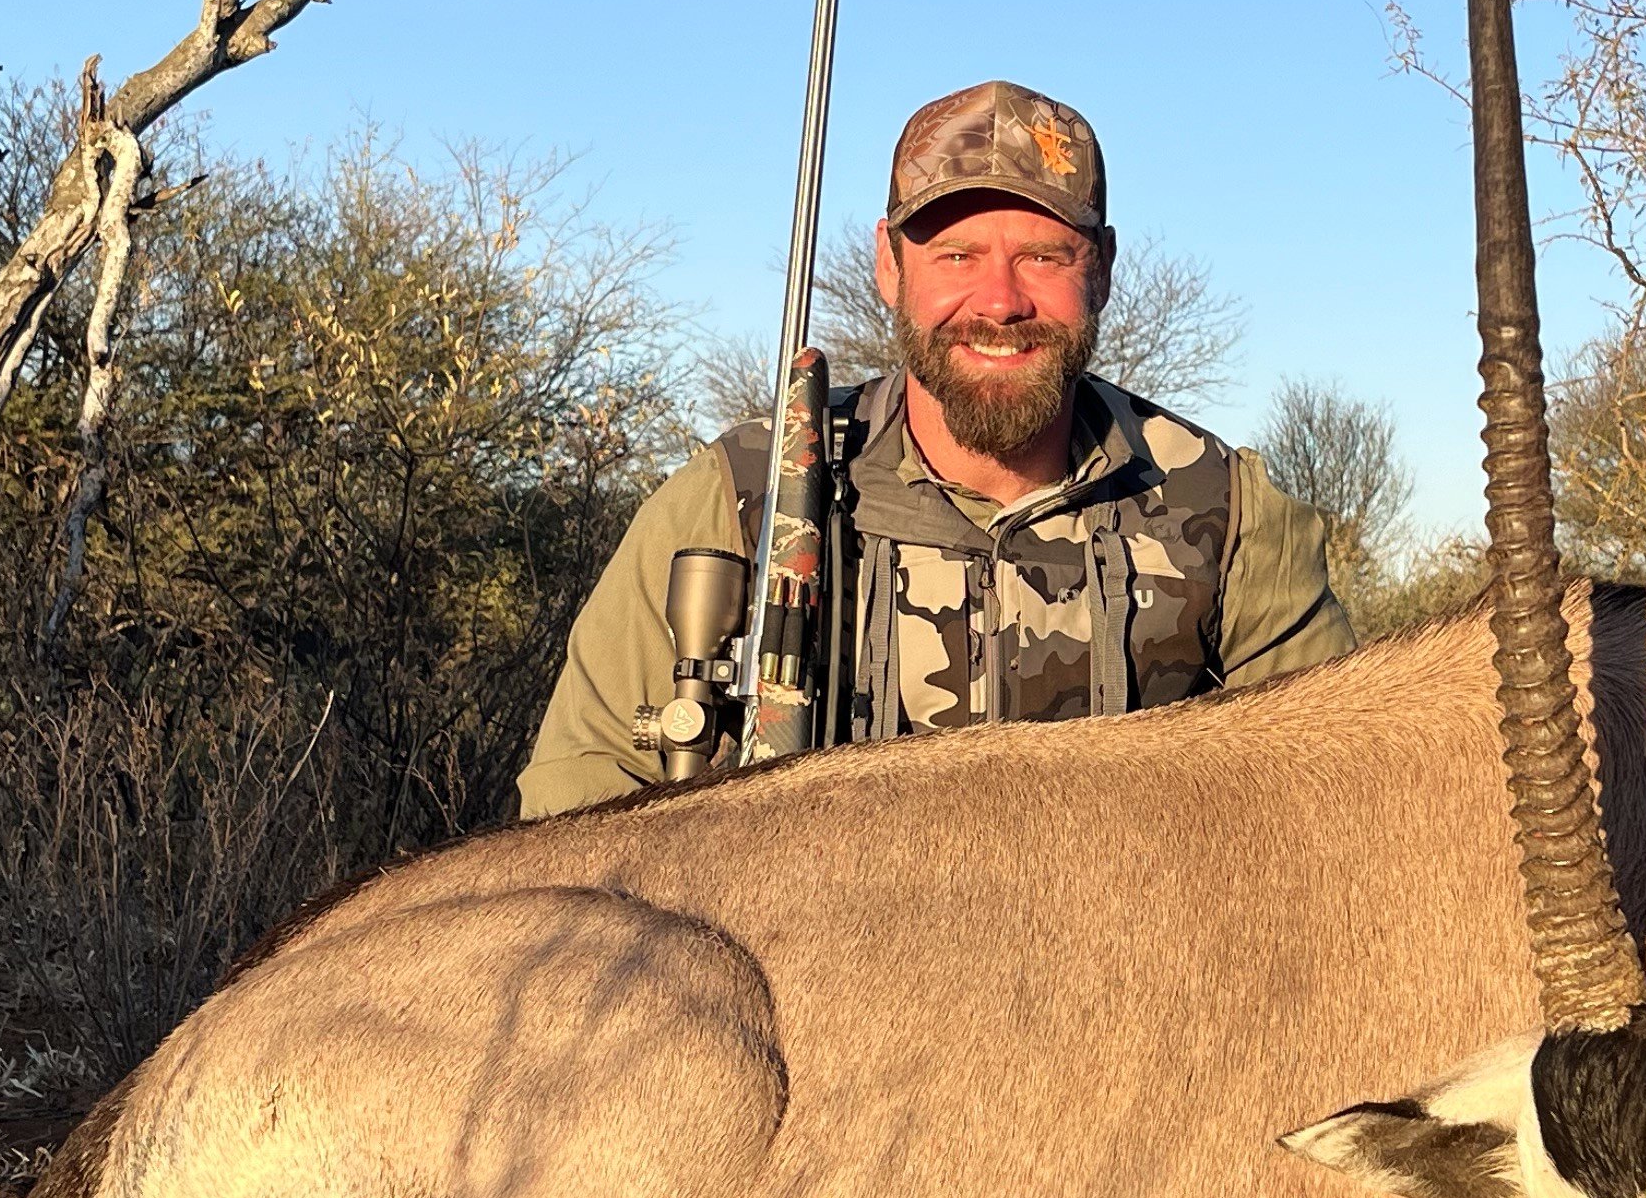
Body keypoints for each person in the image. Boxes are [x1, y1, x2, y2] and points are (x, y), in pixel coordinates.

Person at [516, 79, 1355, 817]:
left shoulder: (1229, 510)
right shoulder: (739, 498)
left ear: (1100, 269)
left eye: (1043, 256)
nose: (1000, 299)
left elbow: (1335, 808)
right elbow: (576, 807)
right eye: (956, 254)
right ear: (889, 265)